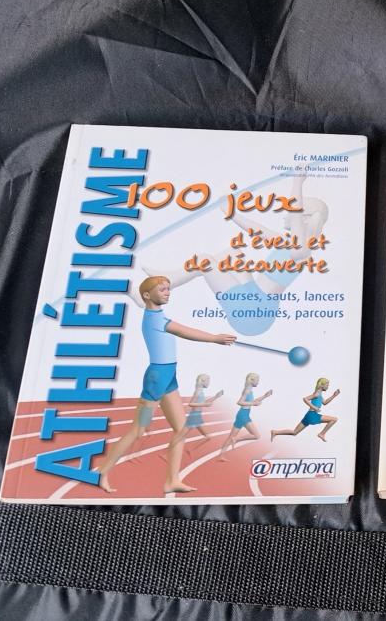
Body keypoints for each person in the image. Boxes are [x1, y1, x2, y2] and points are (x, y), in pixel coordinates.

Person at [140, 174, 330, 335]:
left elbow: (294, 212)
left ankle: (160, 286)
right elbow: (258, 230)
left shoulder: (301, 250)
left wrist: (297, 182)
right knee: (233, 254)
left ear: (304, 218)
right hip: (254, 299)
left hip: (254, 313)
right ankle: (168, 280)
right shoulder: (291, 245)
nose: (285, 212)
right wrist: (230, 212)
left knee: (205, 261)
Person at [96, 276, 236, 494]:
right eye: (162, 289)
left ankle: (172, 480)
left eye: (168, 289)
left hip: (168, 377)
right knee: (138, 430)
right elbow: (184, 331)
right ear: (146, 295)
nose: (168, 292)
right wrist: (214, 338)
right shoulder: (154, 319)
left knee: (181, 429)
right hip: (157, 380)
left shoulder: (159, 316)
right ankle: (101, 473)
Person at [218, 373, 273, 460]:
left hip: (242, 414)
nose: (258, 382)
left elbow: (254, 401)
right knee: (256, 435)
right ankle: (236, 439)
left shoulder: (250, 390)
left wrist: (265, 396)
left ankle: (221, 456)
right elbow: (239, 402)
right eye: (257, 380)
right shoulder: (247, 390)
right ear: (252, 380)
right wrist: (253, 404)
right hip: (243, 415)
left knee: (230, 437)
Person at [270, 378, 340, 443]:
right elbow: (305, 399)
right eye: (327, 385)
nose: (328, 387)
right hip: (312, 415)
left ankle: (275, 432)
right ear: (322, 385)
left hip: (308, 415)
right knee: (334, 419)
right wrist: (314, 407)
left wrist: (334, 395)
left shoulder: (319, 394)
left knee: (294, 432)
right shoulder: (317, 393)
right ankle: (322, 434)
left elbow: (325, 402)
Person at [182, 374, 223, 450]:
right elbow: (191, 403)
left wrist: (216, 396)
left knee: (208, 437)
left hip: (197, 416)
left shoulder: (200, 391)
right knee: (181, 436)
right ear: (203, 381)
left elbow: (204, 402)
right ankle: (166, 453)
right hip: (194, 416)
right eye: (208, 381)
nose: (209, 383)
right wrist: (204, 404)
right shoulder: (198, 391)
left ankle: (190, 450)